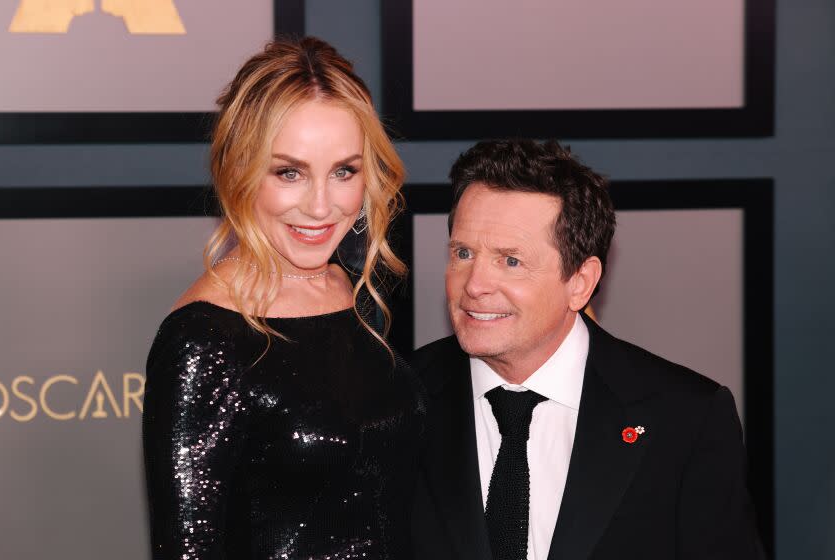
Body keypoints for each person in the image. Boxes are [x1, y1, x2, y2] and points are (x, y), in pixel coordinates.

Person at [411, 139, 764, 559]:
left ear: (580, 282)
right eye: (463, 253)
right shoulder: (395, 399)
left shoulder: (686, 418)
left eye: (510, 261)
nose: (474, 284)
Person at [143, 37, 425, 560]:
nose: (321, 206)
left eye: (345, 171)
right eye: (289, 172)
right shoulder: (204, 341)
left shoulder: (355, 291)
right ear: (240, 171)